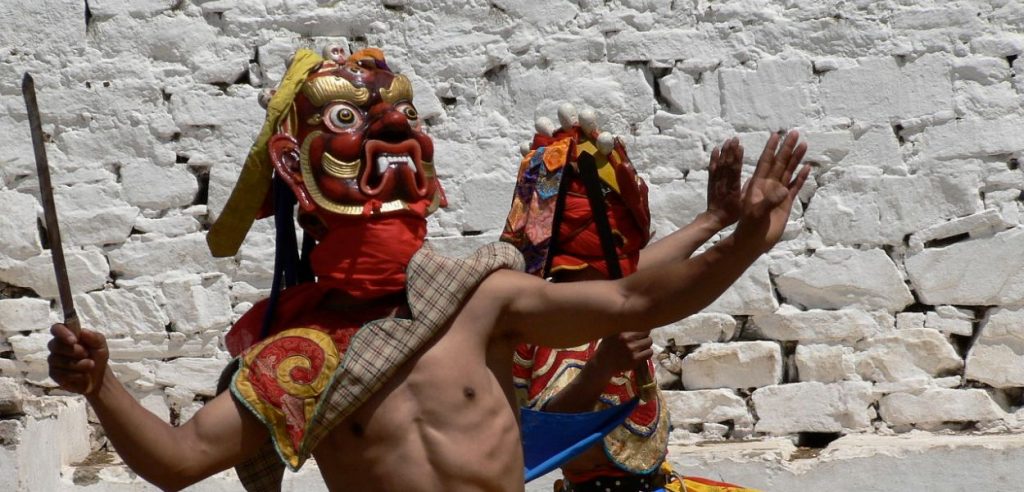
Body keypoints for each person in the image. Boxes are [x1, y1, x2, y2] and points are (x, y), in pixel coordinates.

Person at [46, 46, 810, 491]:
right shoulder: (296, 360)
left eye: (399, 118)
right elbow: (179, 461)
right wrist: (100, 385)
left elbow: (634, 296)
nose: (386, 133)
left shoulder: (481, 298)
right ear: (298, 170)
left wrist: (743, 238)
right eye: (348, 120)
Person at [504, 105, 755, 492]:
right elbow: (546, 432)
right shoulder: (545, 316)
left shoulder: (608, 286)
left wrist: (714, 220)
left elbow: (644, 271)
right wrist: (602, 366)